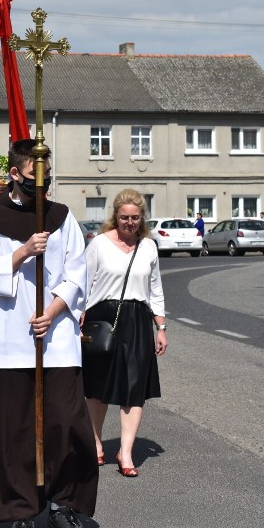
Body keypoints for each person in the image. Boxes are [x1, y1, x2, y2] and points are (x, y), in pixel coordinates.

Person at [0, 139, 98, 528]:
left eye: (45, 179)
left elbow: (78, 272)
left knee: (66, 422)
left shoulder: (61, 217)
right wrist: (23, 251)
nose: (40, 188)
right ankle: (17, 510)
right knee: (13, 429)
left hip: (55, 338)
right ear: (14, 174)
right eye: (32, 179)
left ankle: (65, 504)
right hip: (8, 340)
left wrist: (53, 310)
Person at [81, 189, 167, 480]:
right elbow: (83, 282)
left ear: (142, 217)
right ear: (114, 217)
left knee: (134, 389)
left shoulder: (149, 247)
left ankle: (125, 451)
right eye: (124, 217)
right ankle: (94, 443)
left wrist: (161, 327)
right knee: (98, 387)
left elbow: (155, 289)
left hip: (137, 320)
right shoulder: (98, 245)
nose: (129, 223)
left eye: (135, 217)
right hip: (102, 319)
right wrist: (78, 313)